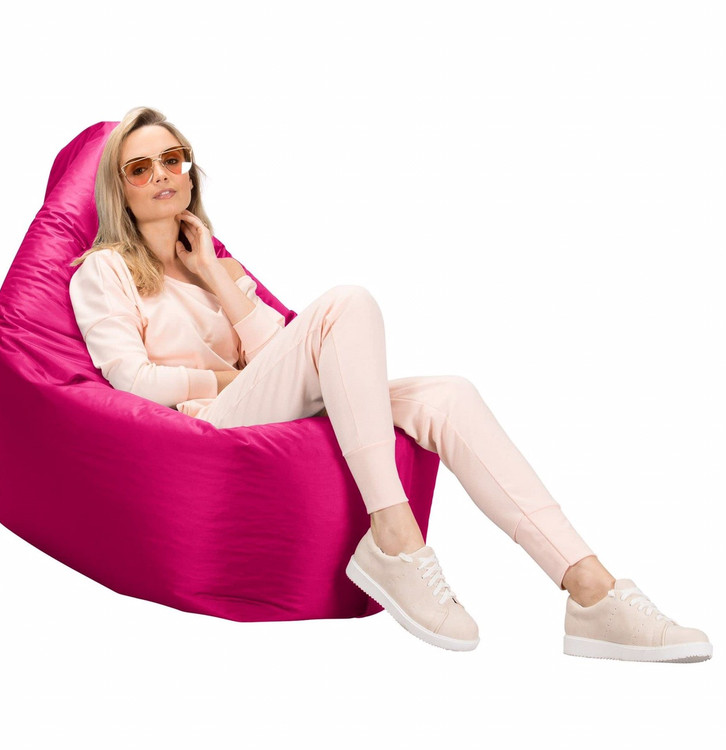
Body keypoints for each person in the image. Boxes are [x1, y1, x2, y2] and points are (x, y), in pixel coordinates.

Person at [68, 106, 712, 662]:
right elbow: (132, 382)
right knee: (345, 303)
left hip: (259, 405)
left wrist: (212, 275)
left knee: (447, 394)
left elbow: (276, 357)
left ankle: (591, 590)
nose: (161, 175)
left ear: (190, 171)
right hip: (201, 427)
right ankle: (395, 540)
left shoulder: (218, 265)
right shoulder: (103, 271)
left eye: (173, 159)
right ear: (119, 189)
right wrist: (222, 376)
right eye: (140, 168)